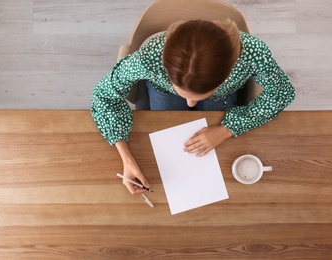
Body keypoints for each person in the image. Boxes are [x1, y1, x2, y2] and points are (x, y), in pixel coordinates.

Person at [91, 19, 295, 195]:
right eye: (185, 94)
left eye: (198, 96)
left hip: (222, 96)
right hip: (163, 90)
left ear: (227, 74)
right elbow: (103, 95)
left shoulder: (252, 52)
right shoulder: (149, 57)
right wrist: (126, 158)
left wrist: (227, 129)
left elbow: (282, 93)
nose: (190, 105)